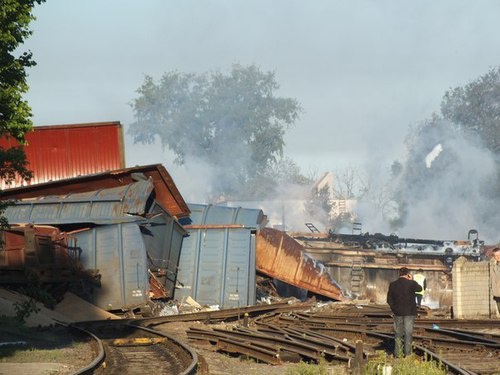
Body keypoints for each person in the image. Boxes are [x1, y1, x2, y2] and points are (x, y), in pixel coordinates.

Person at [387, 267, 423, 357]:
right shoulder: (411, 284)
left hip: (398, 312)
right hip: (409, 312)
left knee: (398, 333)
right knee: (408, 333)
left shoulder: (393, 284)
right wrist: (412, 280)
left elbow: (389, 300)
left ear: (399, 274)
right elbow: (420, 289)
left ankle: (398, 353)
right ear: (408, 274)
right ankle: (407, 353)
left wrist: (394, 309)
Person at [490, 246, 500, 316]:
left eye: (499, 255)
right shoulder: (493, 265)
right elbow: (491, 279)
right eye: (496, 255)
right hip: (497, 293)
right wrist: (492, 289)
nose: (498, 257)